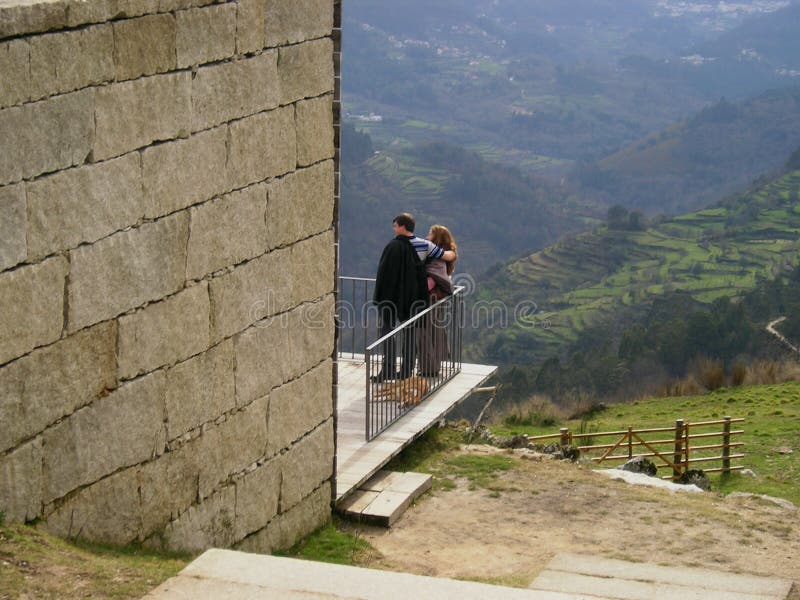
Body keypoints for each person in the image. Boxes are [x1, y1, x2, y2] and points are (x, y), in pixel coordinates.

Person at [372, 213, 456, 382]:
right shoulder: (425, 245)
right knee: (410, 332)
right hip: (413, 296)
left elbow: (383, 273)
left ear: (403, 227)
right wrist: (453, 253)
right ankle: (406, 371)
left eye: (395, 226)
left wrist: (379, 295)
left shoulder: (392, 246)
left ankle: (387, 369)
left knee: (387, 331)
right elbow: (447, 256)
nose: (394, 229)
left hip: (390, 296)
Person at [417, 225, 457, 377]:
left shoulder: (435, 258)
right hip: (438, 299)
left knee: (424, 331)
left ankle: (428, 369)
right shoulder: (443, 256)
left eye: (430, 233)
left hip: (430, 299)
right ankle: (433, 366)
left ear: (437, 237)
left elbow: (432, 280)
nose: (427, 235)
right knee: (434, 330)